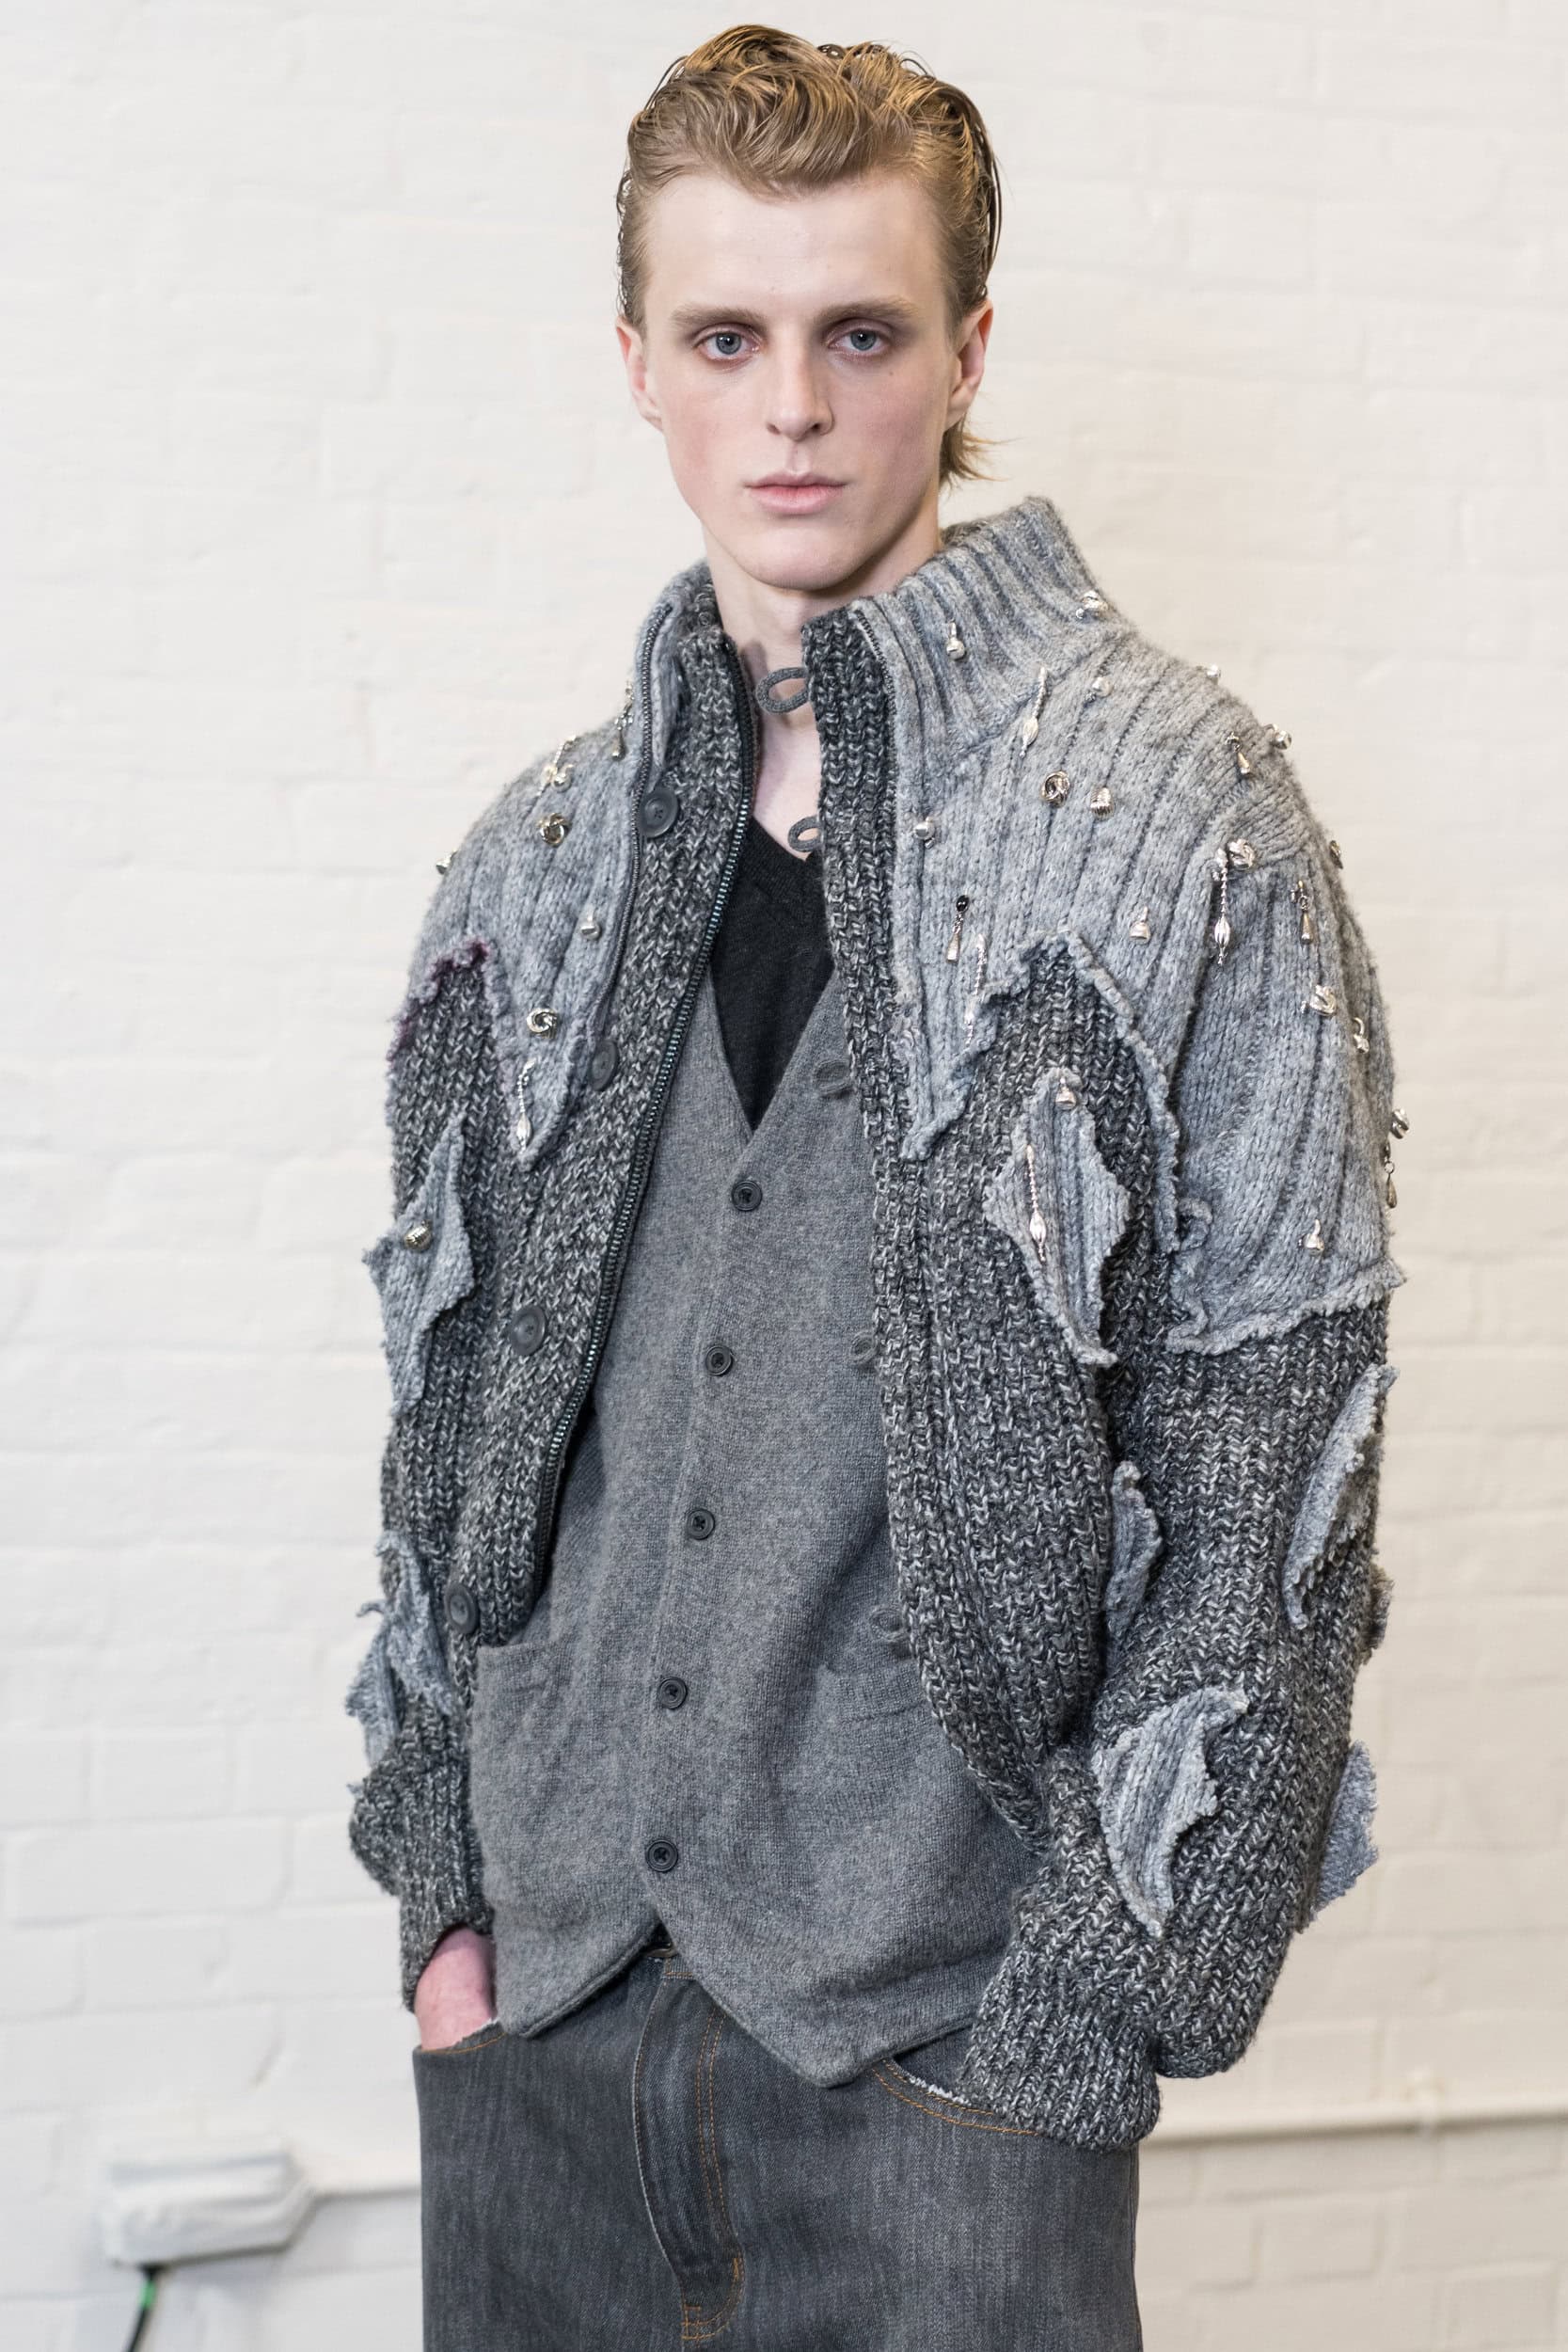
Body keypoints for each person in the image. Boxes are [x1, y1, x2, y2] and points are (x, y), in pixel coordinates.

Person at [343, 25, 1406, 2350]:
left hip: (951, 2067)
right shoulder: (535, 862)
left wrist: (1080, 2021)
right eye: (727, 337)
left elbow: (1273, 1473)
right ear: (638, 362)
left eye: (862, 333)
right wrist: (445, 1912)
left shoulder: (1184, 820)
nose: (795, 410)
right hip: (541, 2031)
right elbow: (440, 1438)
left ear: (969, 352)